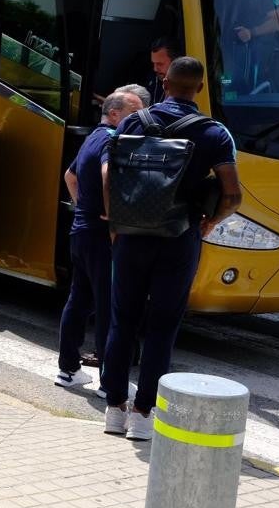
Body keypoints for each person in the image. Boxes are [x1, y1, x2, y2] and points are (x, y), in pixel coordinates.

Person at [99, 56, 241, 441]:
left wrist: (115, 222)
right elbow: (233, 194)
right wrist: (210, 221)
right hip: (179, 238)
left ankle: (114, 408)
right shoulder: (214, 134)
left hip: (131, 234)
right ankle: (144, 415)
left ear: (165, 84)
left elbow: (109, 171)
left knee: (122, 320)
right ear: (198, 89)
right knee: (162, 326)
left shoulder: (134, 121)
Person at [53, 90, 143, 393]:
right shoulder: (112, 140)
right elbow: (107, 174)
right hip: (102, 237)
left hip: (80, 232)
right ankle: (110, 380)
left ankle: (68, 370)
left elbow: (70, 176)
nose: (140, 119)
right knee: (109, 307)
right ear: (115, 113)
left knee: (78, 301)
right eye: (135, 112)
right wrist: (111, 215)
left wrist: (84, 209)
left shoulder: (93, 136)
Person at [144, 37, 180, 106]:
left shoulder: (186, 86)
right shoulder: (152, 79)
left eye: (160, 64)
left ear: (175, 61)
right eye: (153, 63)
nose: (155, 69)